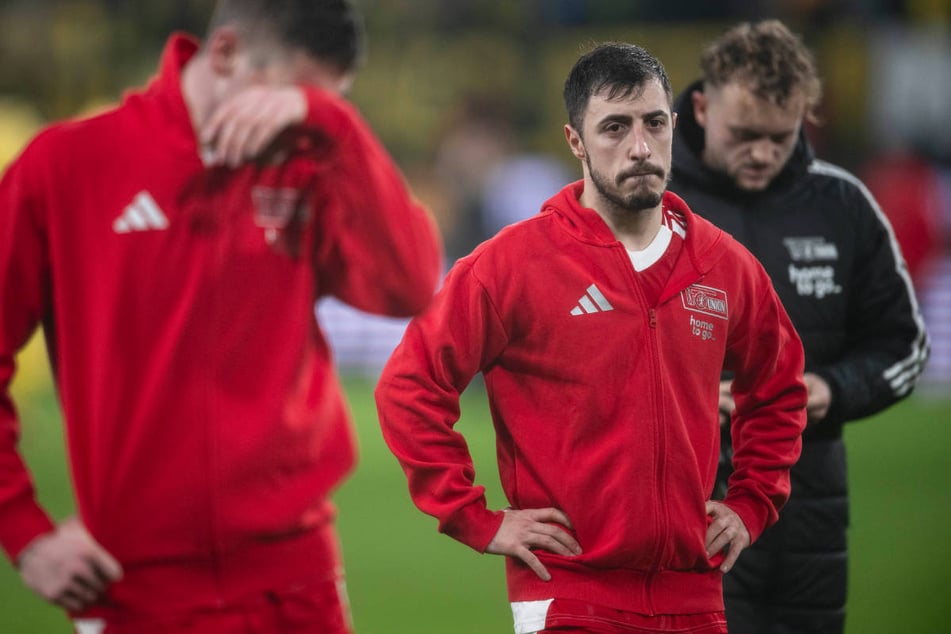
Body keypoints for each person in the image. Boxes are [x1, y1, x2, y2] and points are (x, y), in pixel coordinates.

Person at [0, 1, 442, 632]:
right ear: (227, 55)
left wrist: (332, 125)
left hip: (297, 578)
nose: (297, 121)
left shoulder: (307, 161)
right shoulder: (66, 167)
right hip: (134, 588)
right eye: (288, 98)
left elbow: (409, 286)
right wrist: (24, 532)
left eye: (321, 108)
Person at [376, 42, 807, 634]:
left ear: (675, 127)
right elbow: (409, 384)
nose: (639, 146)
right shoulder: (511, 266)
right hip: (569, 596)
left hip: (696, 595)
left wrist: (752, 502)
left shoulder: (723, 265)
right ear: (575, 141)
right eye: (614, 128)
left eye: (655, 124)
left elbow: (779, 387)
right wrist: (475, 518)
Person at [668, 20, 930, 634]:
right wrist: (688, 397)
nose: (760, 152)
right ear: (702, 109)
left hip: (809, 511)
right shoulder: (647, 203)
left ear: (805, 118)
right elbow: (584, 354)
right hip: (680, 502)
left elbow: (905, 346)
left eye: (779, 137)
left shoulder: (843, 206)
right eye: (744, 134)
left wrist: (832, 390)